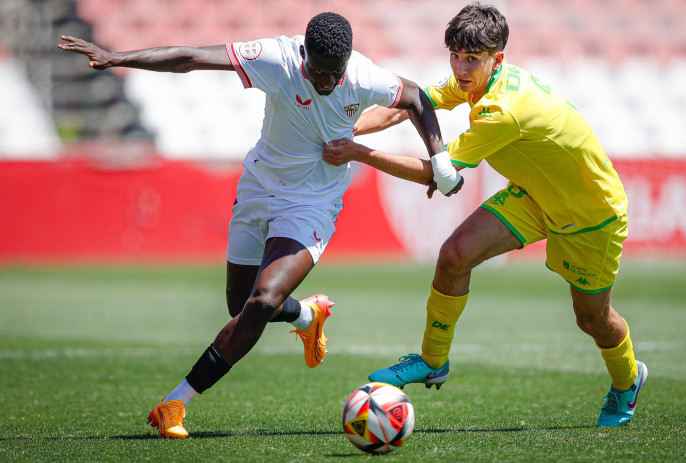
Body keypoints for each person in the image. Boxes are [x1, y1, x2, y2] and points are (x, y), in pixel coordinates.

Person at [58, 12, 463, 439]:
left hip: (312, 203)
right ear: (304, 54)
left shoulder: (363, 77)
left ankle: (176, 402)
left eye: (334, 73)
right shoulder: (277, 59)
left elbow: (417, 97)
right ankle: (307, 314)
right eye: (318, 72)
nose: (326, 81)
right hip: (259, 188)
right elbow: (191, 57)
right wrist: (116, 57)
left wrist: (439, 160)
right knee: (241, 305)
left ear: (347, 62)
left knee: (262, 299)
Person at [322, 2, 647, 427]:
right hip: (534, 197)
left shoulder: (502, 109)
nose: (460, 67)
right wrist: (347, 129)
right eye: (454, 55)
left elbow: (434, 174)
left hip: (590, 213)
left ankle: (627, 383)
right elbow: (411, 104)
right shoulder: (476, 80)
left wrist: (356, 152)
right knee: (454, 254)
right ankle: (433, 360)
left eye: (471, 58)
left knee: (591, 319)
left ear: (498, 58)